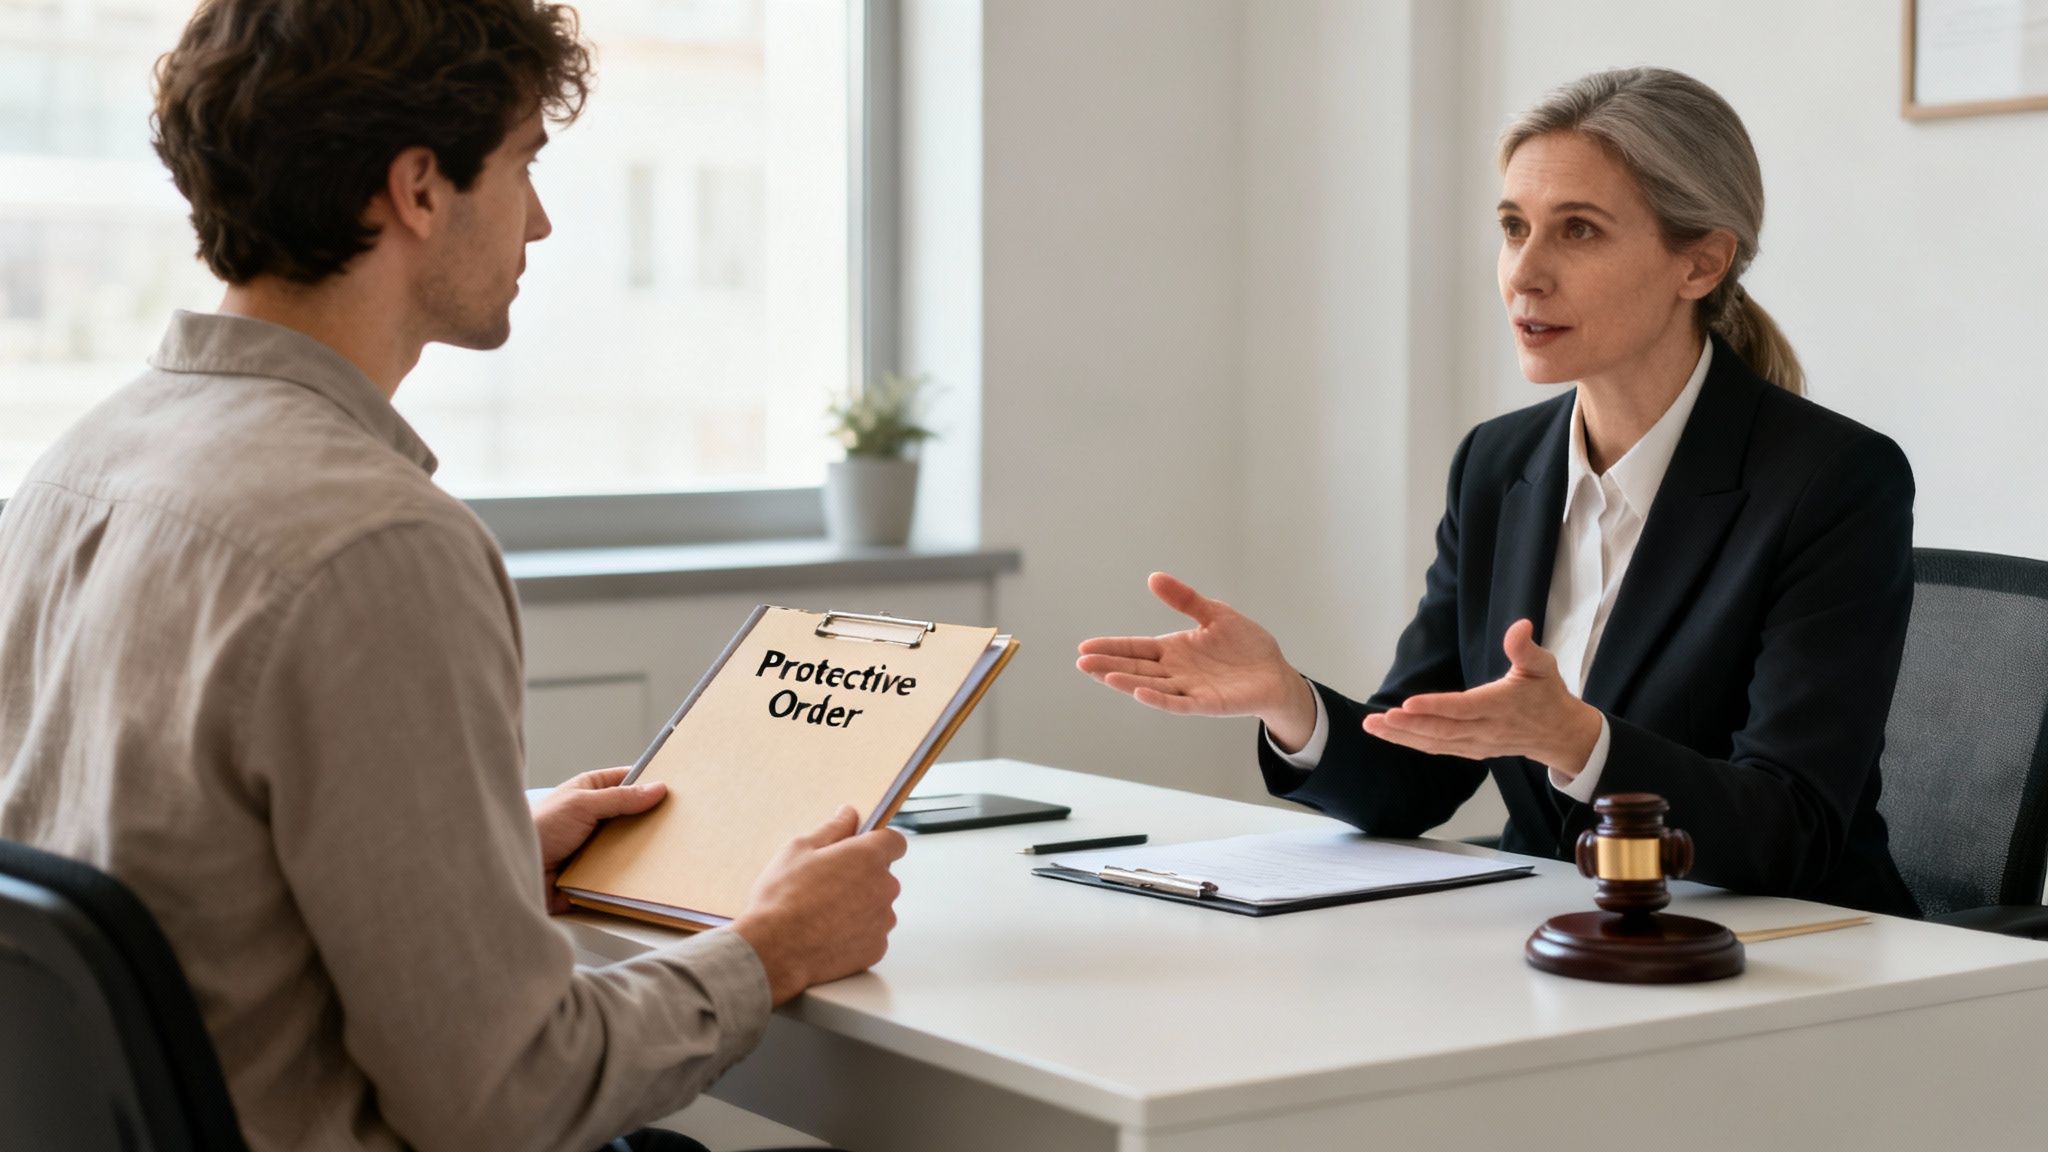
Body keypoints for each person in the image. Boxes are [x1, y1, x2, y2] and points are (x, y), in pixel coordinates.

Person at [0, 3, 903, 1151]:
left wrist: (479, 855)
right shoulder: (375, 545)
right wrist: (771, 947)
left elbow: (161, 875)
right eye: (524, 163)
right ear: (420, 188)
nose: (539, 220)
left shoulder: (74, 471)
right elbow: (508, 1098)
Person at [1077, 67, 1919, 918]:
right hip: (1554, 942)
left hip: (1792, 956)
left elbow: (1796, 829)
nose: (1525, 273)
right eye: (1514, 227)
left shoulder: (1832, 481)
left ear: (1700, 262)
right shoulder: (1498, 463)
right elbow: (1417, 776)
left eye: (1579, 231)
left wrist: (1578, 741)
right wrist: (1290, 701)